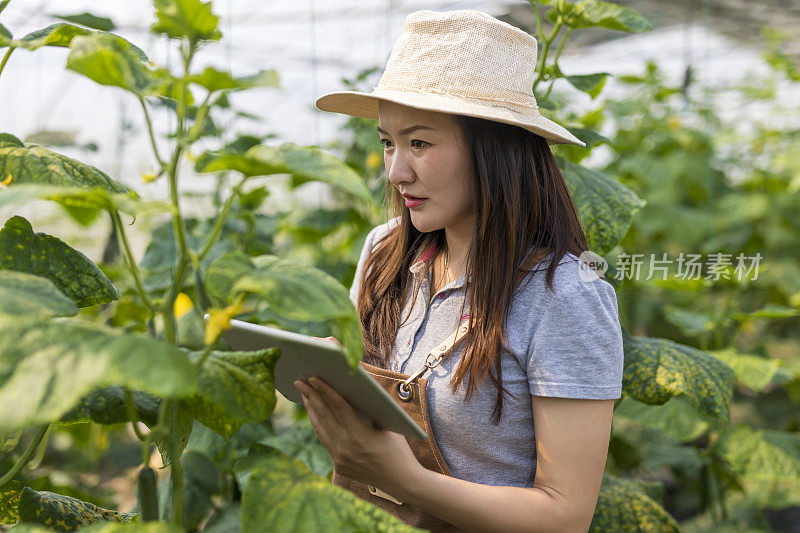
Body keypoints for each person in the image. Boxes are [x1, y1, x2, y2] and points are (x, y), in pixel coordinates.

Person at [293, 9, 624, 533]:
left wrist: (406, 480)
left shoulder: (564, 296)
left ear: (496, 151)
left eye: (420, 143)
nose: (397, 171)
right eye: (388, 142)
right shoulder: (384, 254)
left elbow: (566, 518)